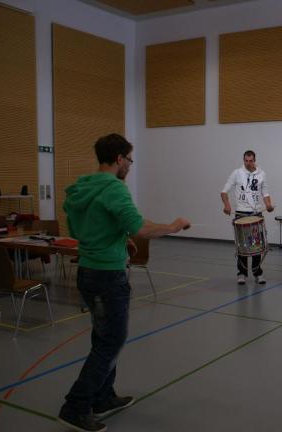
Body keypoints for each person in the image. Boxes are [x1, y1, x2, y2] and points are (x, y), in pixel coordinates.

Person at [58, 134, 190, 432]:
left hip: (87, 272)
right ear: (119, 158)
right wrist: (173, 226)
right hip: (107, 276)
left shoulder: (81, 188)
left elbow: (79, 230)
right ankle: (75, 407)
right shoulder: (114, 188)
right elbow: (139, 227)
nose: (130, 165)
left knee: (103, 337)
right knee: (111, 342)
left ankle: (103, 397)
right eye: (129, 159)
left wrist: (117, 238)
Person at [221, 150, 274, 285]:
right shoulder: (237, 173)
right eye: (246, 160)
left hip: (256, 213)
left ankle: (257, 273)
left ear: (254, 160)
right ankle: (242, 273)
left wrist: (268, 204)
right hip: (241, 213)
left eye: (250, 161)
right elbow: (224, 191)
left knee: (257, 245)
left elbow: (265, 192)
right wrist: (227, 205)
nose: (248, 163)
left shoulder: (261, 174)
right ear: (243, 160)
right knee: (242, 245)